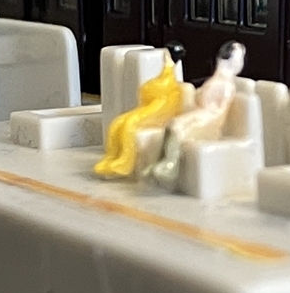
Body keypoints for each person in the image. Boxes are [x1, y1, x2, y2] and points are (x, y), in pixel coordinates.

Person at [147, 41, 245, 191]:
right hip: (202, 113)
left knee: (180, 130)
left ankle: (171, 166)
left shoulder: (227, 85)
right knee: (173, 124)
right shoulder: (216, 81)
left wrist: (201, 116)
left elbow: (219, 112)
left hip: (211, 120)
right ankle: (163, 161)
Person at [94, 43, 185, 179]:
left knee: (130, 123)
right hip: (154, 104)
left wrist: (149, 89)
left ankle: (125, 162)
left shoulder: (171, 74)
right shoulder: (164, 71)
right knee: (118, 122)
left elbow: (157, 89)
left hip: (162, 108)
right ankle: (111, 156)